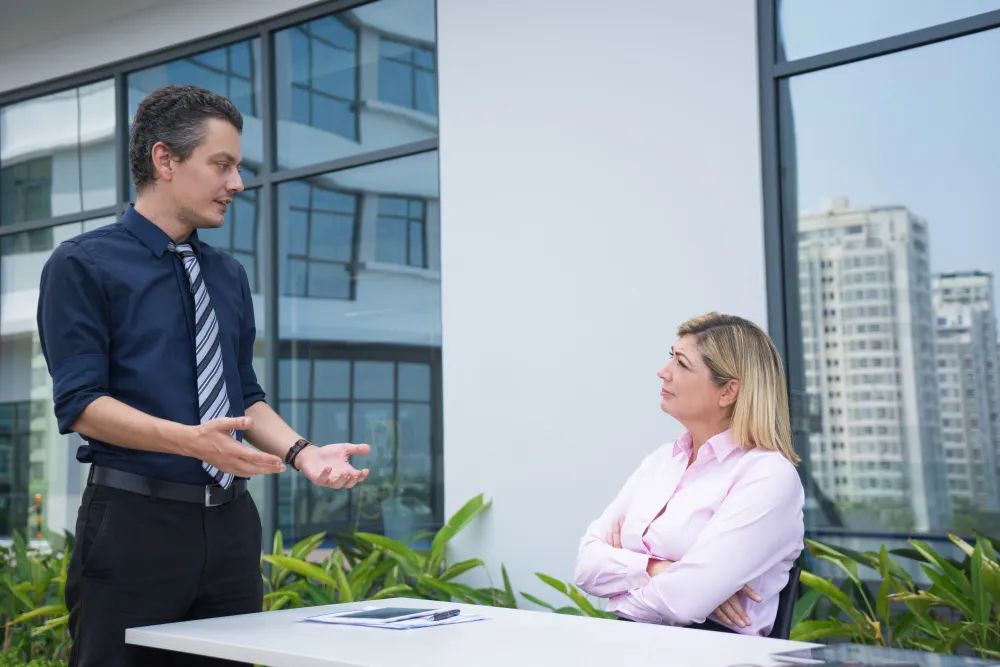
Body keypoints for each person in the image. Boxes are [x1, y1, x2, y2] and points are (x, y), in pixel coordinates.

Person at [36, 84, 371, 667]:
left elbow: (244, 395)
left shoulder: (228, 275)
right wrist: (190, 441)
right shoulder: (81, 264)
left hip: (231, 529)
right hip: (133, 528)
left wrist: (304, 454)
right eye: (222, 165)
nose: (236, 183)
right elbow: (82, 403)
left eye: (236, 167)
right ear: (165, 160)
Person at [573, 312, 804, 636]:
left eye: (681, 363)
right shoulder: (661, 462)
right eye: (671, 357)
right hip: (635, 647)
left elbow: (684, 602)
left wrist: (622, 584)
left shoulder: (768, 476)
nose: (663, 372)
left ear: (728, 392)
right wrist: (659, 568)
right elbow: (586, 565)